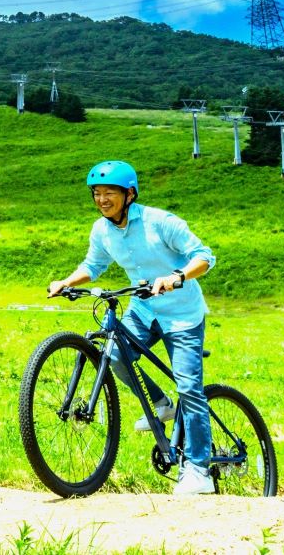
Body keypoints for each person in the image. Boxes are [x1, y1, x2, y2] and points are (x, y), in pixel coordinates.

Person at [48, 160, 219, 496]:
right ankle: (161, 404)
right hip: (143, 308)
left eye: (109, 192)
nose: (102, 199)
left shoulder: (160, 222)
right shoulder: (101, 230)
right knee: (113, 357)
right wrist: (68, 281)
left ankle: (199, 470)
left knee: (189, 386)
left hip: (183, 314)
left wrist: (177, 277)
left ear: (129, 194)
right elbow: (93, 265)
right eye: (96, 193)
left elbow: (204, 256)